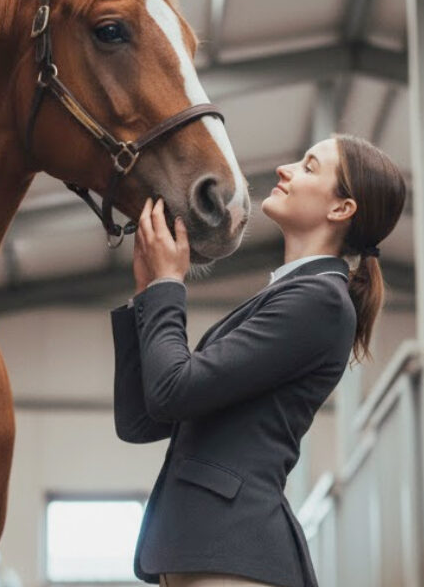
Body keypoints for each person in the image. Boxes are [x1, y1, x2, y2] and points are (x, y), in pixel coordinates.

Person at [111, 134, 407, 587]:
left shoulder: (320, 301)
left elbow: (173, 390)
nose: (285, 169)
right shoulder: (291, 296)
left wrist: (169, 286)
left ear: (341, 209)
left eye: (309, 167)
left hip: (233, 556)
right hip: (206, 554)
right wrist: (147, 293)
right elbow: (143, 419)